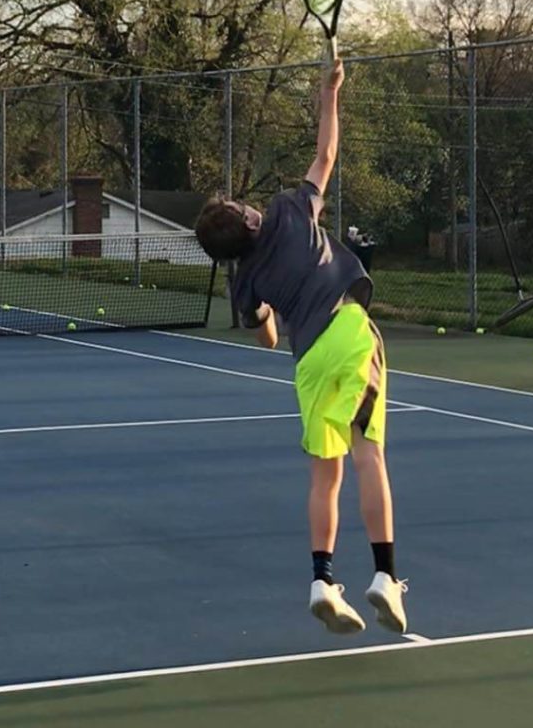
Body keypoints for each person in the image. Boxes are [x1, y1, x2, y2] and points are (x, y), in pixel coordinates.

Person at [194, 60, 407, 635]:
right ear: (246, 219)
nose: (244, 205)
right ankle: (386, 576)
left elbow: (264, 336)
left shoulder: (244, 279)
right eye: (238, 207)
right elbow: (326, 155)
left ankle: (322, 580)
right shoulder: (289, 210)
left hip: (307, 361)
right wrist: (328, 93)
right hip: (349, 333)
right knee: (370, 454)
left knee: (325, 477)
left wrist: (263, 309)